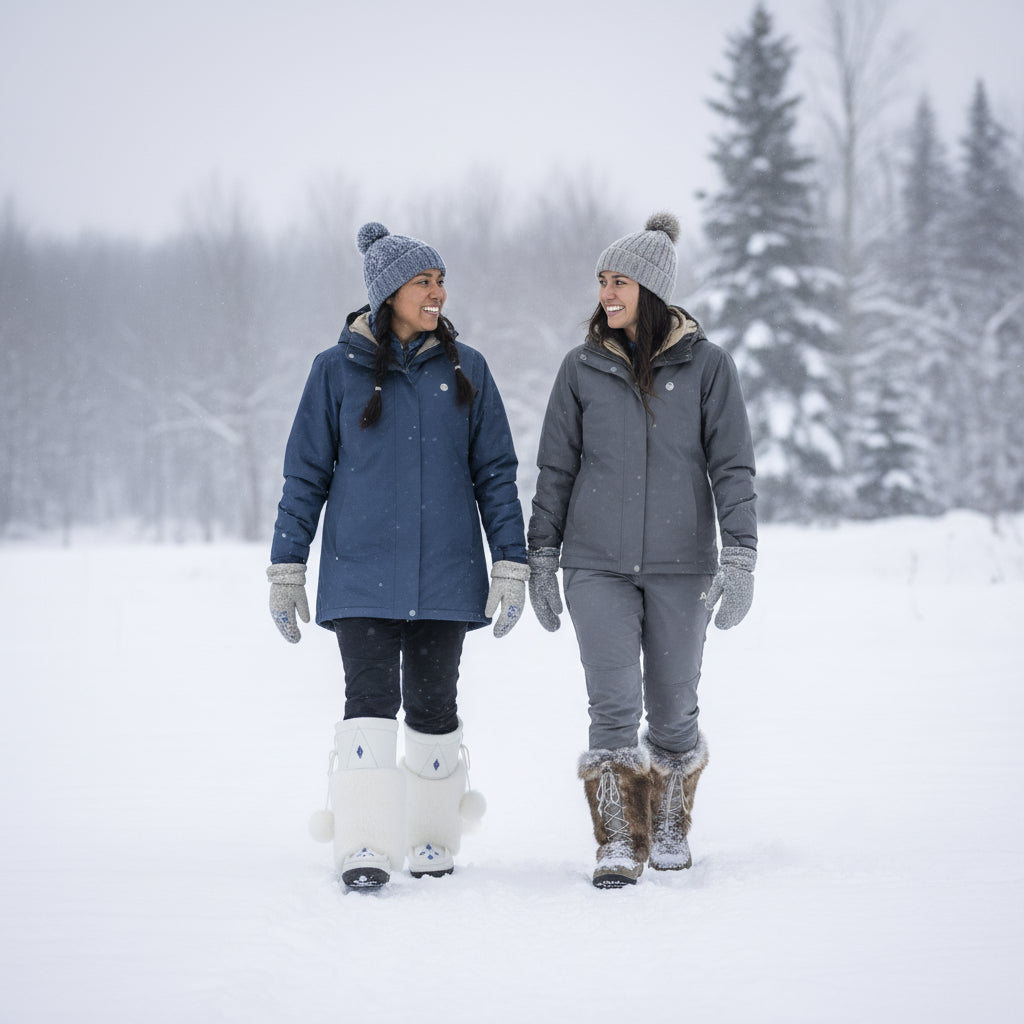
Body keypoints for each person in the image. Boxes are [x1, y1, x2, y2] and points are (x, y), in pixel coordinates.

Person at [267, 222, 528, 890]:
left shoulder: (468, 369)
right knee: (369, 702)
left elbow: (495, 473)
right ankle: (363, 842)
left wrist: (510, 558)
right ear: (388, 294)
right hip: (360, 573)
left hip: (446, 573)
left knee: (435, 706)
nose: (437, 293)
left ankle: (431, 838)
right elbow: (305, 476)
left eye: (441, 281)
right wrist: (288, 564)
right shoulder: (334, 372)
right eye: (423, 282)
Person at [527, 212, 757, 888]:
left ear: (650, 290)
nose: (606, 293)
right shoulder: (581, 368)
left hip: (682, 566)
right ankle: (619, 839)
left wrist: (740, 555)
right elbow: (555, 469)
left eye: (619, 281)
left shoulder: (709, 367)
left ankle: (668, 821)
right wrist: (541, 554)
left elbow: (733, 468)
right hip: (595, 563)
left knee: (674, 709)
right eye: (602, 280)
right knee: (612, 707)